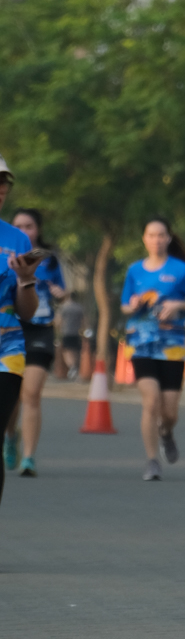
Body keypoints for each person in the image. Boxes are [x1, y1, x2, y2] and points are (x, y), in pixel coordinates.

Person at [119, 217, 185, 483]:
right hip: (141, 343)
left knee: (169, 413)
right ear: (144, 239)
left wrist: (178, 305)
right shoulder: (134, 270)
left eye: (161, 235)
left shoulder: (181, 270)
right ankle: (152, 461)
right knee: (151, 401)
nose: (156, 240)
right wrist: (132, 305)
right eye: (151, 235)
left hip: (172, 345)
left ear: (168, 238)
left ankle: (166, 432)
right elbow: (124, 305)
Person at [3, 208, 65, 477]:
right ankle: (10, 434)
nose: (24, 230)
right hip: (11, 328)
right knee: (12, 398)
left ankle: (28, 456)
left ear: (38, 229)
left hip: (40, 330)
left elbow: (63, 291)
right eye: (19, 225)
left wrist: (58, 292)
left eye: (29, 226)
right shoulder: (7, 251)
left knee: (31, 393)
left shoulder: (48, 260)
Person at [0, 158, 45, 513]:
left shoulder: (17, 240)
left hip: (6, 349)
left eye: (4, 184)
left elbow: (27, 311)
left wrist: (26, 279)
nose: (1, 189)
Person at [57, 292, 85, 380]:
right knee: (76, 350)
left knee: (67, 351)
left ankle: (72, 367)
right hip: (76, 332)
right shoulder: (79, 308)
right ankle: (75, 367)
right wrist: (83, 330)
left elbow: (59, 320)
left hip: (66, 332)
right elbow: (84, 320)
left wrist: (58, 329)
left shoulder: (64, 307)